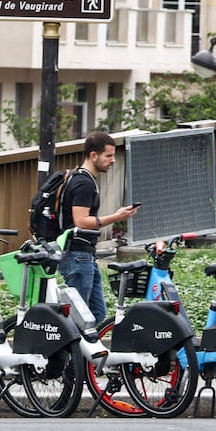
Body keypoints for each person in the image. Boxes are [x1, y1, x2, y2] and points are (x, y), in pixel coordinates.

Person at [60, 132, 139, 322]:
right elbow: (81, 221)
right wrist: (116, 216)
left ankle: (83, 350)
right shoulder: (83, 183)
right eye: (108, 156)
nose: (113, 160)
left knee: (97, 314)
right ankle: (69, 351)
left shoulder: (82, 179)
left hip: (84, 255)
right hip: (76, 255)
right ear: (93, 155)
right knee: (80, 317)